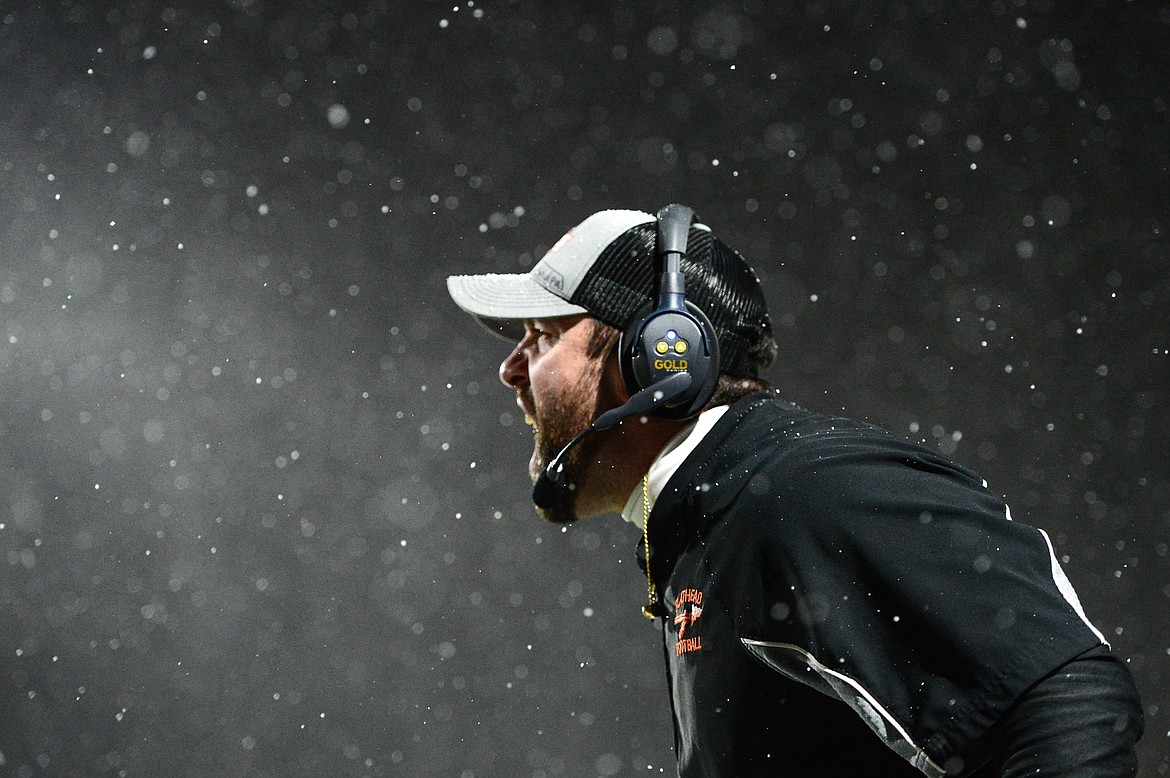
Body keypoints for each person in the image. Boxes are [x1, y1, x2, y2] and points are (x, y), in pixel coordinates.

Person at [445, 206, 1145, 777]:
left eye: (540, 336)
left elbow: (1063, 694)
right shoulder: (714, 514)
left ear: (662, 356)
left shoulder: (801, 492)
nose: (510, 369)